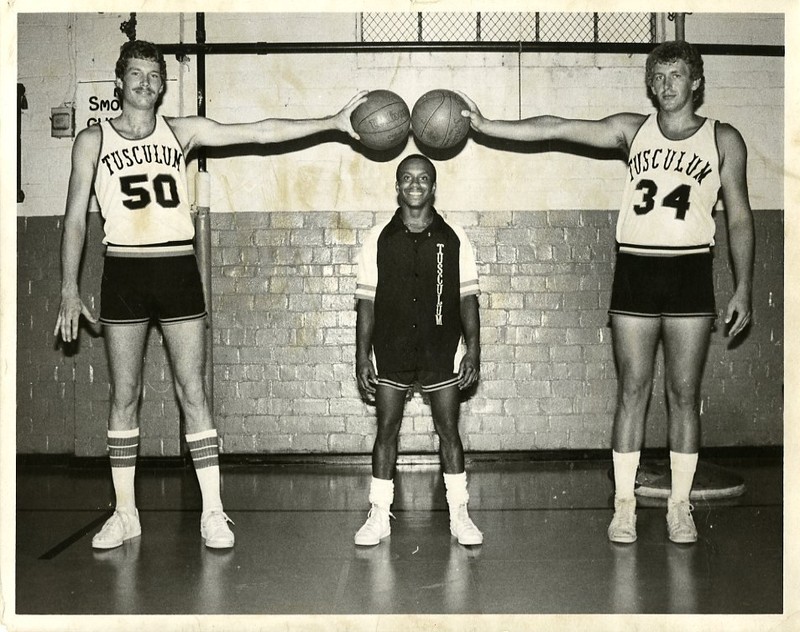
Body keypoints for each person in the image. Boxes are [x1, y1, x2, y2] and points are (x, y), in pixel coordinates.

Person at [53, 40, 366, 550]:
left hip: (177, 268)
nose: (146, 84)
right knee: (124, 396)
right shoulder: (92, 140)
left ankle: (214, 513)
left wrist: (331, 121)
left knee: (192, 393)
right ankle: (126, 513)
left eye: (154, 76)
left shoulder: (183, 131)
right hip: (124, 273)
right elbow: (73, 221)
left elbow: (261, 133)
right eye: (136, 75)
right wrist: (69, 287)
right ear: (119, 81)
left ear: (162, 84)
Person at [459, 40, 754, 544]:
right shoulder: (630, 129)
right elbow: (555, 127)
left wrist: (745, 286)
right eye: (658, 77)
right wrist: (488, 125)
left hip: (689, 274)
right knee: (632, 391)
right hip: (636, 270)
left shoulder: (723, 139)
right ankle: (624, 505)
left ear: (697, 82)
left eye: (676, 75)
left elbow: (741, 217)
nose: (666, 85)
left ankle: (679, 508)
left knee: (684, 394)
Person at [353, 154, 483, 547]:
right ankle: (379, 516)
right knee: (386, 433)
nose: (414, 184)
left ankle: (459, 515)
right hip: (391, 350)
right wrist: (362, 356)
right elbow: (367, 304)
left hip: (438, 351)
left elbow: (467, 301)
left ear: (433, 186)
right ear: (397, 186)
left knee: (449, 433)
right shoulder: (378, 238)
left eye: (422, 178)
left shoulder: (455, 237)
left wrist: (473, 350)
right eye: (407, 178)